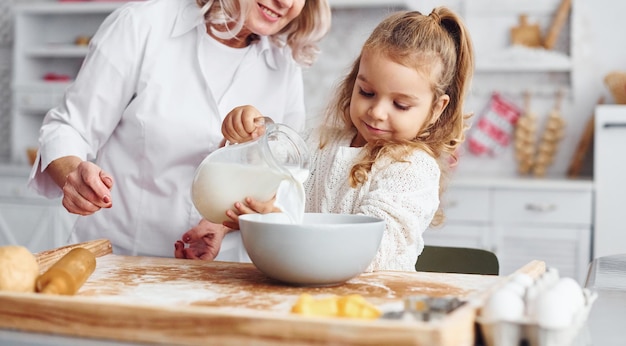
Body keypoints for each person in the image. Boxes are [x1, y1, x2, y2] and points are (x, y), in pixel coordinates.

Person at [27, 0, 331, 259]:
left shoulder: (285, 62)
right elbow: (69, 127)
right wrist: (72, 172)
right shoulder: (142, 25)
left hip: (223, 273)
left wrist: (226, 223)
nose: (287, 3)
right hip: (120, 260)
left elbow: (283, 179)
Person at [216, 7, 475, 271]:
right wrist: (246, 137)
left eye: (400, 105)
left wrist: (281, 224)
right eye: (367, 92)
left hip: (372, 302)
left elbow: (365, 250)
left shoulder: (413, 170)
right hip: (307, 295)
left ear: (436, 109)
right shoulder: (319, 142)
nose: (377, 112)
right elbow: (263, 180)